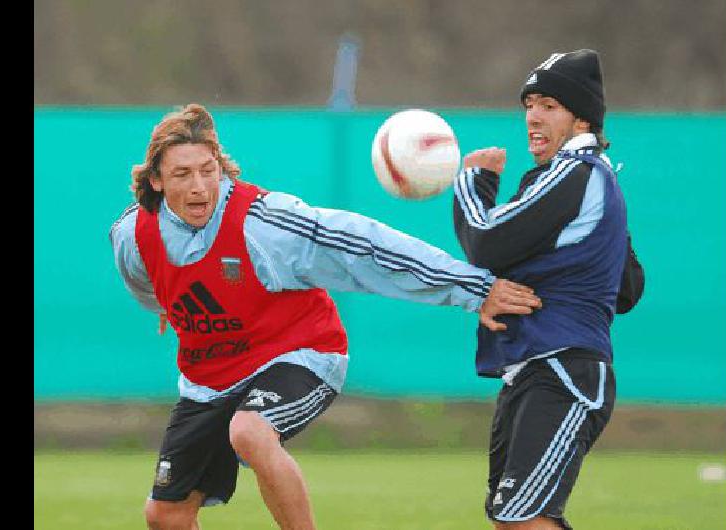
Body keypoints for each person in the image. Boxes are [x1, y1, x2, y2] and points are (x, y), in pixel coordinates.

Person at [109, 103, 543, 530]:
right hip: (210, 376)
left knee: (250, 432)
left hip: (300, 353)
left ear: (222, 168)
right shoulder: (132, 234)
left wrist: (475, 289)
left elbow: (368, 247)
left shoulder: (264, 224)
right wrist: (162, 305)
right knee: (165, 516)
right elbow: (144, 282)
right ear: (157, 181)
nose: (200, 186)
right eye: (183, 174)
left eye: (208, 170)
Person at [453, 49, 645, 529]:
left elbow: (487, 242)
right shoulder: (588, 178)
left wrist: (473, 183)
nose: (533, 117)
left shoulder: (573, 171)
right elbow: (628, 288)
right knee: (509, 517)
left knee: (523, 518)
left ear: (581, 119)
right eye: (529, 104)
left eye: (549, 105)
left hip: (562, 368)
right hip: (537, 367)